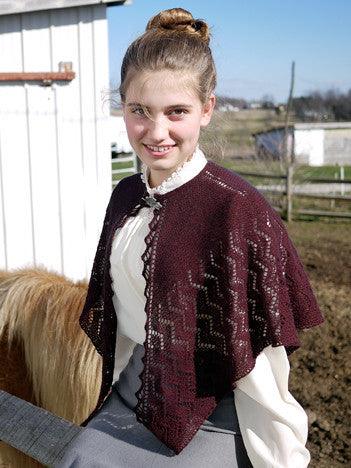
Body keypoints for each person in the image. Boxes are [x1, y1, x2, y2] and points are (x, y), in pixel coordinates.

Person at [55, 8, 324, 468]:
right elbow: (121, 324)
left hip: (220, 410)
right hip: (133, 393)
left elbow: (263, 359)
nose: (156, 132)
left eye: (176, 111)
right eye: (139, 111)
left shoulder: (237, 209)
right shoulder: (125, 196)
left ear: (207, 108)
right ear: (123, 107)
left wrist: (280, 454)